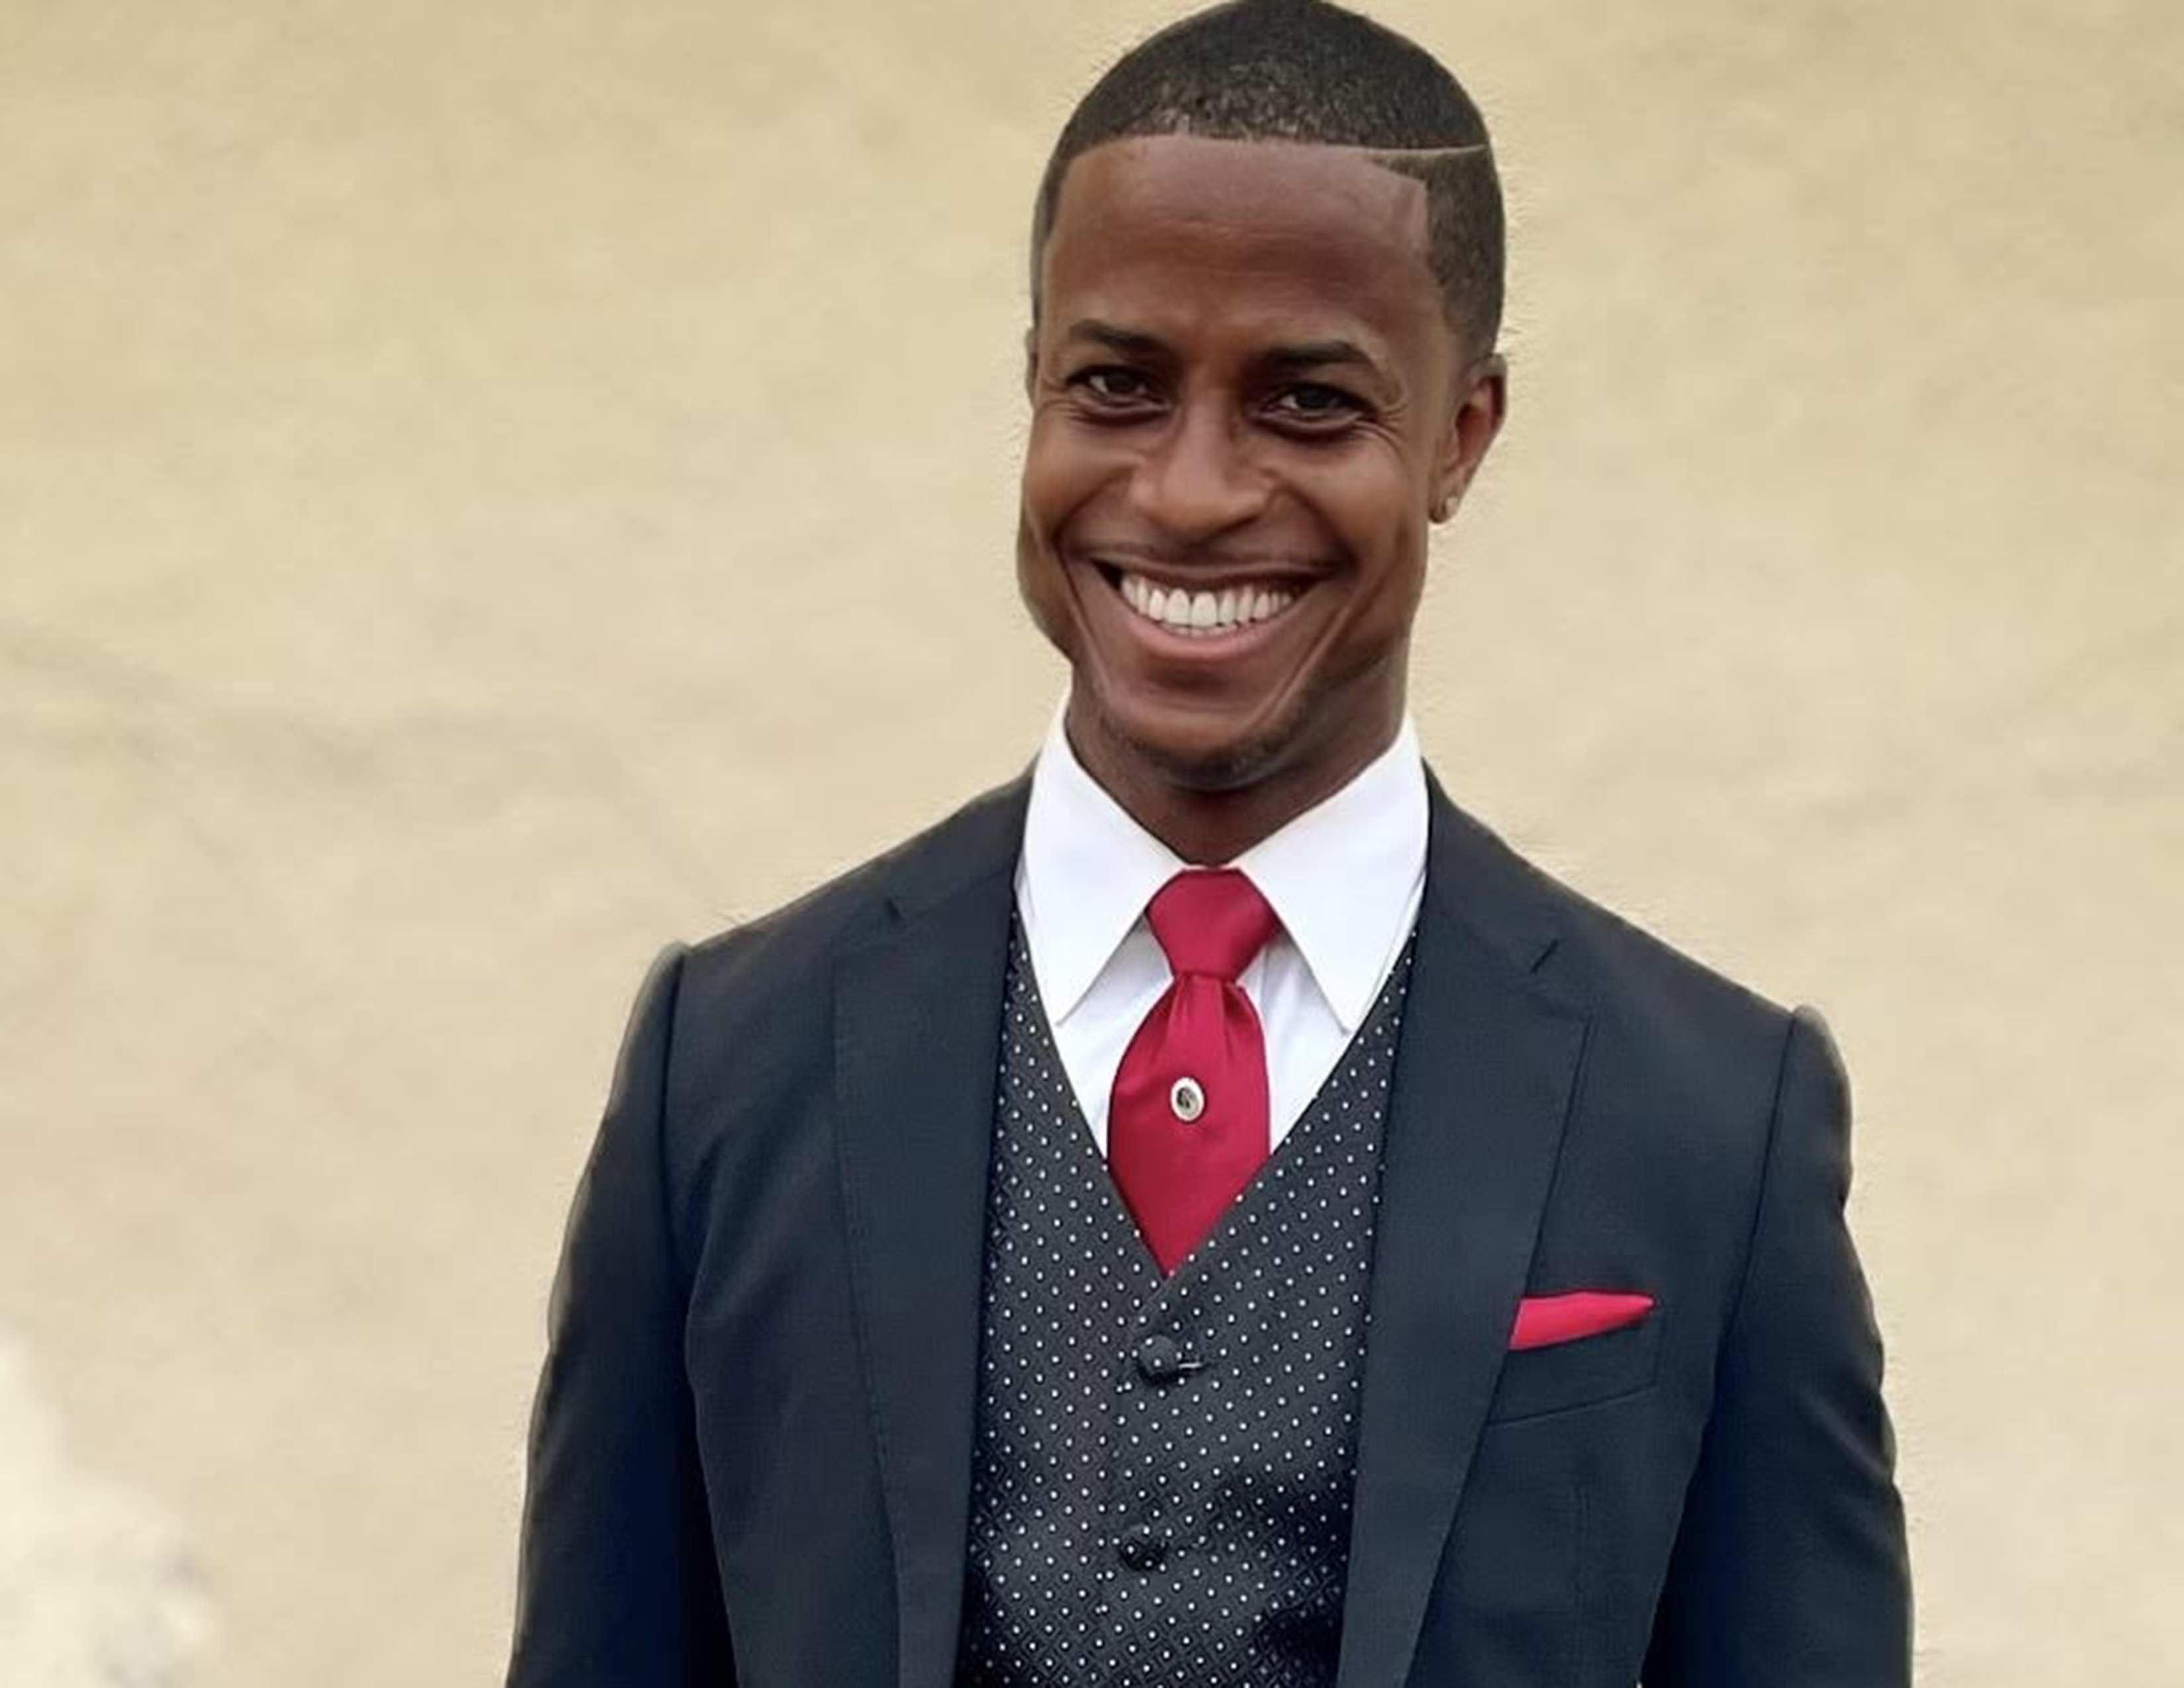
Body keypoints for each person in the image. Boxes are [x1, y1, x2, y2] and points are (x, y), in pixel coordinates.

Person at [502, 2, 1912, 1683]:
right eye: (1116, 385)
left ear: (1462, 435)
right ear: (1028, 377)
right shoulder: (724, 1067)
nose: (1185, 491)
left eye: (1310, 404)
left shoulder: (1709, 1120)